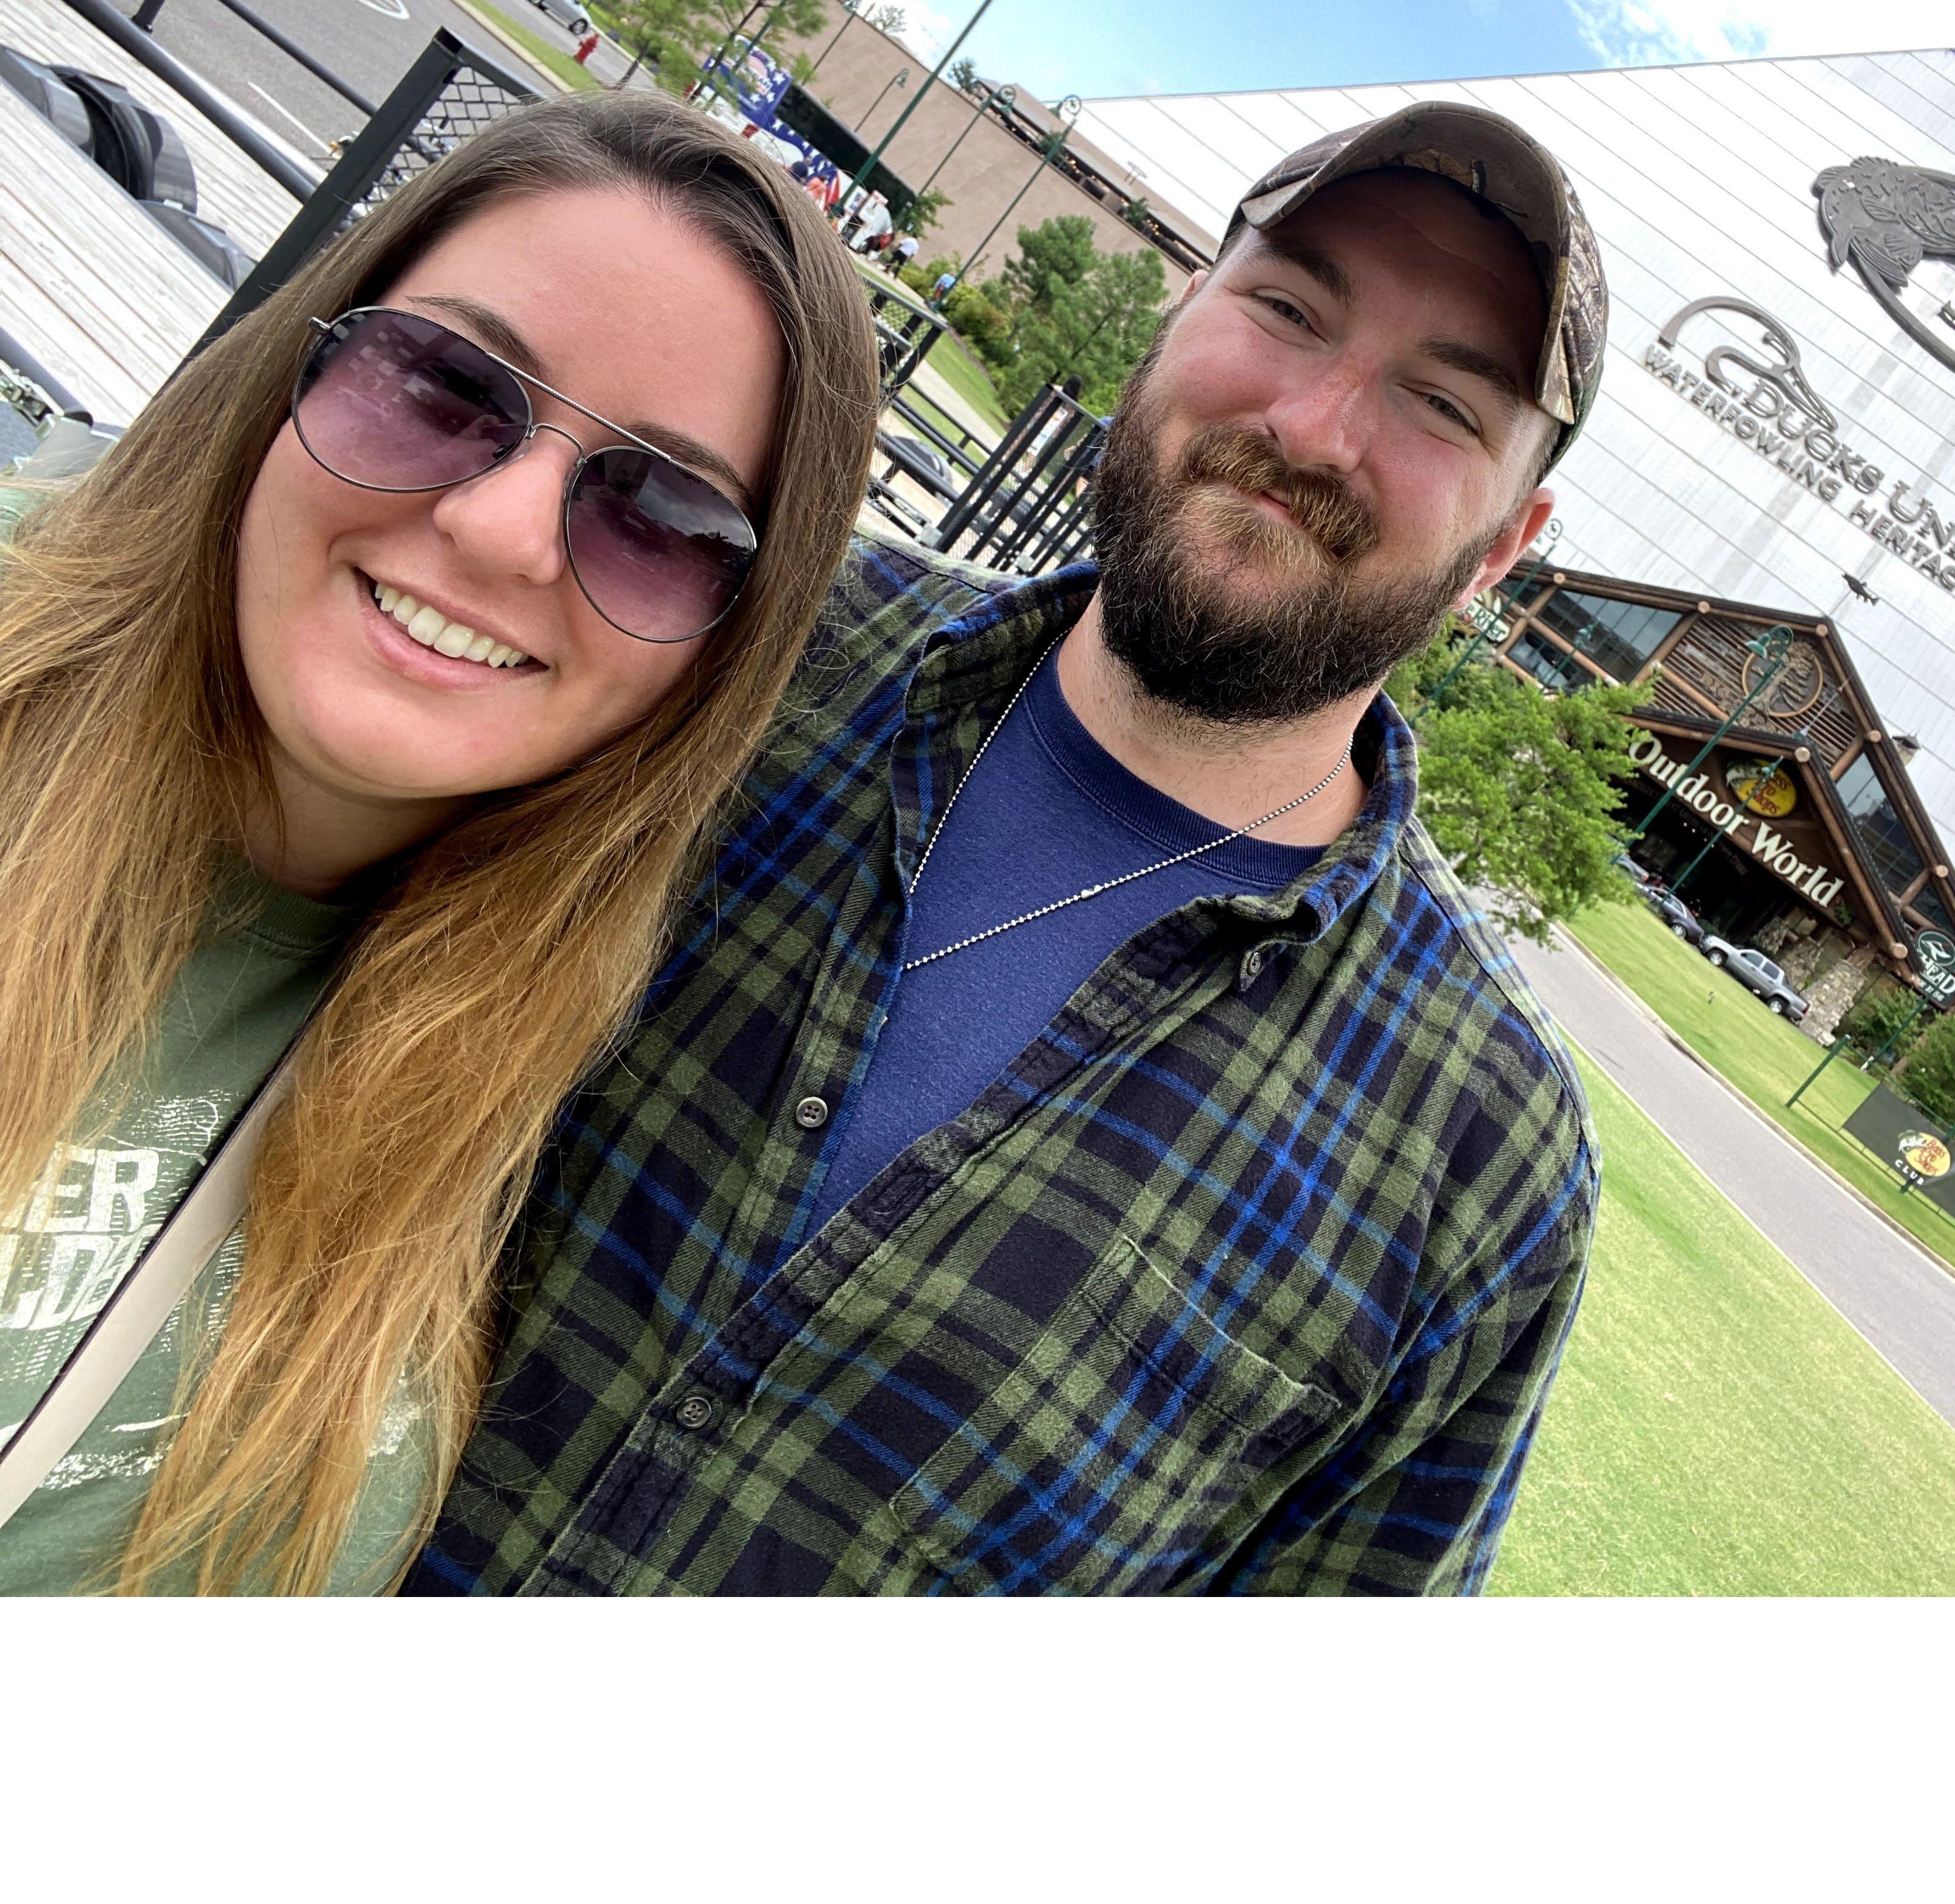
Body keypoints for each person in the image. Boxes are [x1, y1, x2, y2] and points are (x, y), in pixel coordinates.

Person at [415, 100, 1611, 1597]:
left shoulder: (1484, 1155)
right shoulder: (747, 637)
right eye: (1289, 309)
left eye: (1446, 404)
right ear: (1179, 318)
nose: (1312, 429)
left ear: (1505, 545)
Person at [0, 92, 878, 1595]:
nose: (501, 529)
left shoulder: (497, 1102)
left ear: (726, 654)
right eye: (445, 386)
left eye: (662, 516)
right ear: (304, 360)